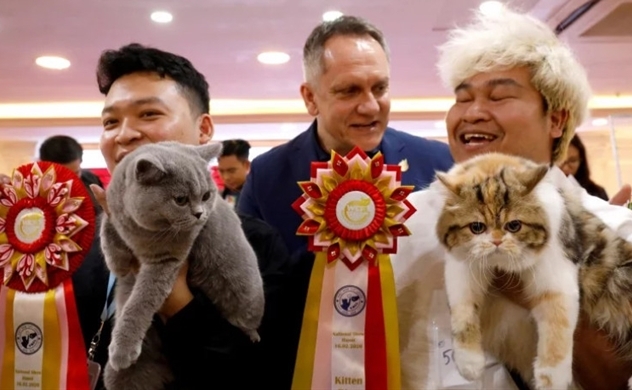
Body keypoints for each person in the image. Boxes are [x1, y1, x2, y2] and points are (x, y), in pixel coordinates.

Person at [393, 6, 632, 390]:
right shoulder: (403, 224)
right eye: (463, 98)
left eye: (499, 96)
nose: (473, 113)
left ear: (556, 120)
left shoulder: (615, 232)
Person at [86, 43, 293, 389]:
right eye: (110, 121)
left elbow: (263, 371)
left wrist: (172, 292)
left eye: (149, 114)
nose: (124, 134)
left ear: (204, 130)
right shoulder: (79, 245)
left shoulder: (256, 245)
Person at [238, 15, 454, 256]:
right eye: (349, 91)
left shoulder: (439, 166)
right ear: (310, 98)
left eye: (380, 88)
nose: (371, 107)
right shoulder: (267, 178)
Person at [38, 134, 105, 214]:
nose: (70, 181)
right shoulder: (33, 192)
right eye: (62, 175)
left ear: (81, 162)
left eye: (76, 173)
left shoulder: (91, 180)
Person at [560, 134, 609, 200]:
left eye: (572, 161)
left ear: (581, 160)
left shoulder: (597, 193)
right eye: (560, 161)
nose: (566, 168)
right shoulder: (544, 192)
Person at [217, 139, 251, 208]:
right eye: (221, 171)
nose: (226, 177)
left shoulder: (259, 196)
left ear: (246, 165)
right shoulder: (218, 197)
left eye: (231, 171)